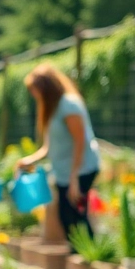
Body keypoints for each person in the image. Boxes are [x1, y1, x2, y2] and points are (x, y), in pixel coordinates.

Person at [17, 63, 101, 244]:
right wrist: (29, 160)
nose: (34, 95)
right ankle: (78, 254)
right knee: (66, 215)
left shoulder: (69, 105)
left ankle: (88, 256)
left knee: (77, 214)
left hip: (81, 170)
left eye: (35, 90)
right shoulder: (52, 109)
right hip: (65, 173)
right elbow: (49, 147)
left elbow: (80, 142)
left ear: (46, 88)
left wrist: (74, 179)